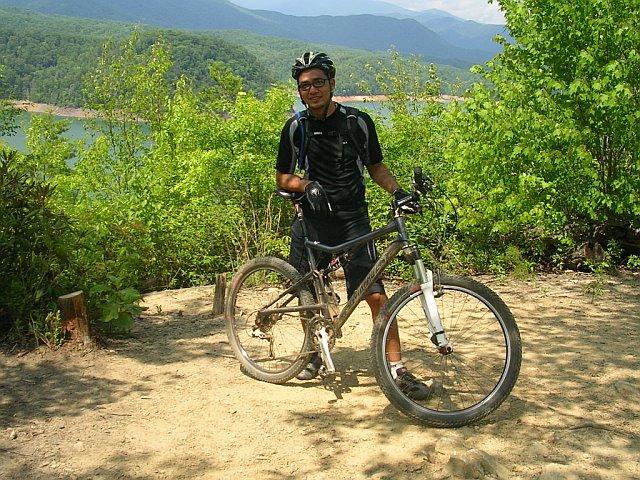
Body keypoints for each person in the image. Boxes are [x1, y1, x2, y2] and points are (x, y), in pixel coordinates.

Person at [275, 52, 431, 400]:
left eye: (318, 82)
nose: (312, 90)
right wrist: (306, 186)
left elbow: (376, 167)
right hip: (311, 220)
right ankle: (313, 353)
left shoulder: (357, 122)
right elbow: (283, 177)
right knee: (307, 294)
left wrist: (399, 192)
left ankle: (397, 370)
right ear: (299, 92)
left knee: (375, 295)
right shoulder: (295, 128)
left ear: (331, 83)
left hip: (353, 220)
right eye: (304, 86)